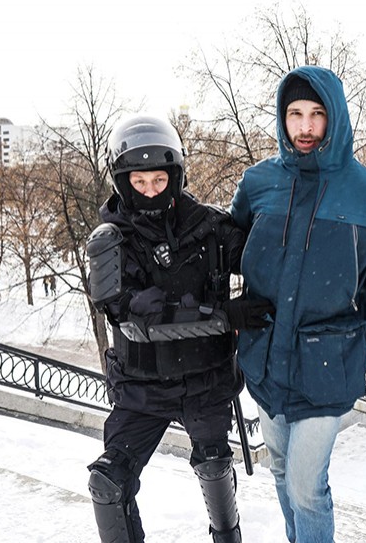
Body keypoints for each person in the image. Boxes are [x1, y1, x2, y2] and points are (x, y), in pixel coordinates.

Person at [229, 66, 366, 543]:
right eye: (295, 114)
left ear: (334, 118)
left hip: (327, 363)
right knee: (279, 471)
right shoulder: (259, 184)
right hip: (266, 359)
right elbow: (228, 247)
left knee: (305, 486)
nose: (305, 126)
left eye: (317, 114)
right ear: (282, 118)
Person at [85, 115, 273, 543]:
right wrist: (223, 315)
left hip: (205, 380)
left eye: (158, 179)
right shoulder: (110, 240)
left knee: (213, 463)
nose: (151, 191)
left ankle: (228, 537)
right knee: (108, 483)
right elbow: (129, 317)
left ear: (175, 175)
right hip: (141, 385)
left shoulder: (210, 227)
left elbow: (265, 258)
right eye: (139, 182)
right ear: (122, 181)